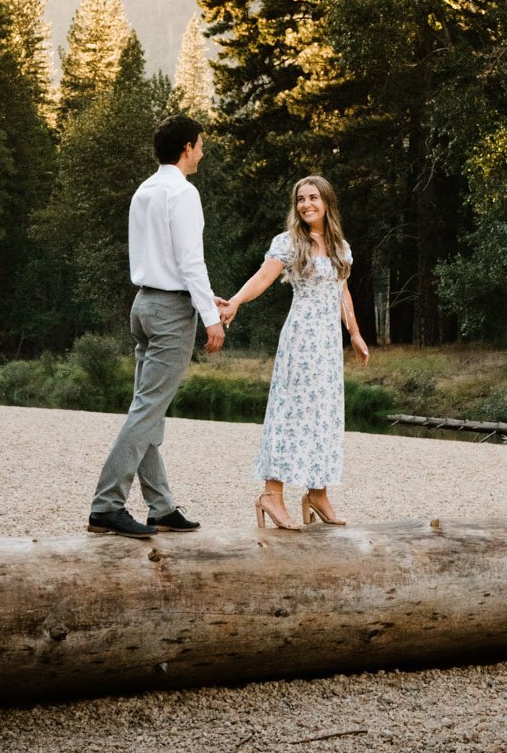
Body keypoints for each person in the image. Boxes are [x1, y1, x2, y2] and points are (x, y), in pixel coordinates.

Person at [86, 116, 225, 537]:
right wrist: (211, 317)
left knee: (147, 409)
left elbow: (164, 259)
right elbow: (188, 260)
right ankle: (106, 504)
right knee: (147, 410)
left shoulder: (145, 190)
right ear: (186, 147)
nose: (202, 151)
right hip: (170, 314)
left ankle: (160, 506)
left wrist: (204, 298)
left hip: (144, 304)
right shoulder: (182, 192)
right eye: (200, 144)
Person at [217, 174, 368, 530]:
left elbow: (342, 293)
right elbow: (262, 277)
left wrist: (356, 334)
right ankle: (271, 494)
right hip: (301, 339)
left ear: (327, 202)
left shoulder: (340, 247)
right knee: (291, 413)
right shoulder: (287, 243)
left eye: (313, 197)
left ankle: (317, 493)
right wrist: (236, 300)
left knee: (326, 415)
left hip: (328, 346)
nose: (306, 204)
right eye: (300, 199)